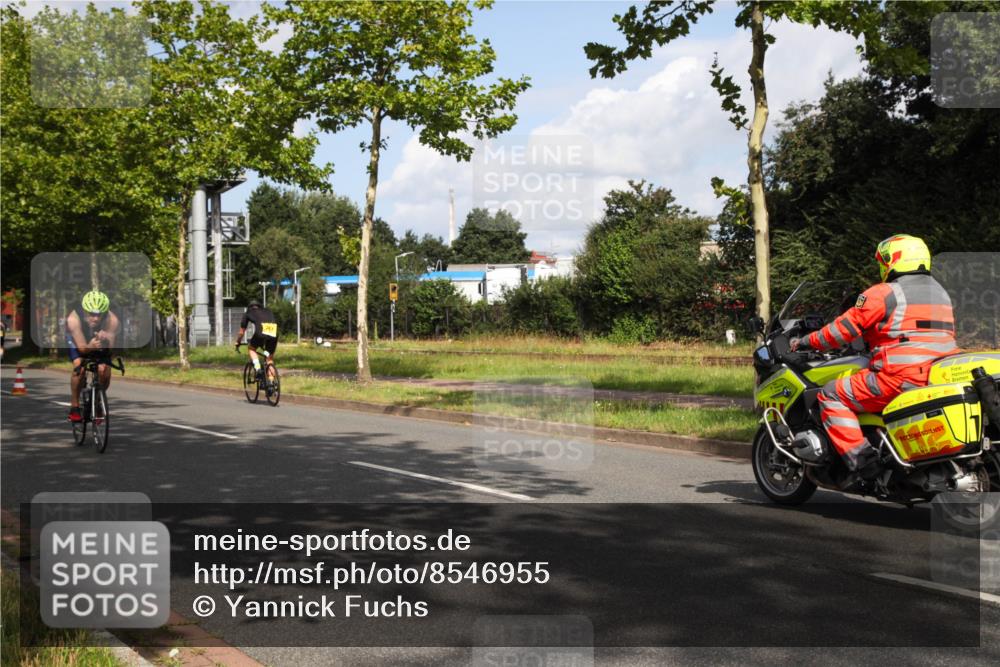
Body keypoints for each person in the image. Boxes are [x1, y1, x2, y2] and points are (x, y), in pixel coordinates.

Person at [790, 234, 958, 481]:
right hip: (938, 373)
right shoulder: (941, 293)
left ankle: (863, 461)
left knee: (831, 393)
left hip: (899, 378)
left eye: (884, 261)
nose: (881, 266)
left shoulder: (884, 292)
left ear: (894, 261)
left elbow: (841, 331)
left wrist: (805, 341)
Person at [66, 290, 120, 422]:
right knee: (80, 367)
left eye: (99, 314)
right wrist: (90, 346)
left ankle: (98, 400)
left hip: (97, 341)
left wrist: (107, 340)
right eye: (91, 314)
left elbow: (110, 352)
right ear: (84, 311)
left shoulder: (112, 320)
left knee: (104, 369)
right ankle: (74, 406)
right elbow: (83, 350)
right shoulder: (73, 319)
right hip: (78, 341)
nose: (96, 318)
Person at [235, 301, 278, 384]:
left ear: (249, 307)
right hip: (274, 332)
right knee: (269, 359)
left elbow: (241, 332)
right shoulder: (268, 310)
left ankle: (258, 368)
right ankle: (271, 383)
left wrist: (238, 342)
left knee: (251, 348)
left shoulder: (248, 312)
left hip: (261, 333)